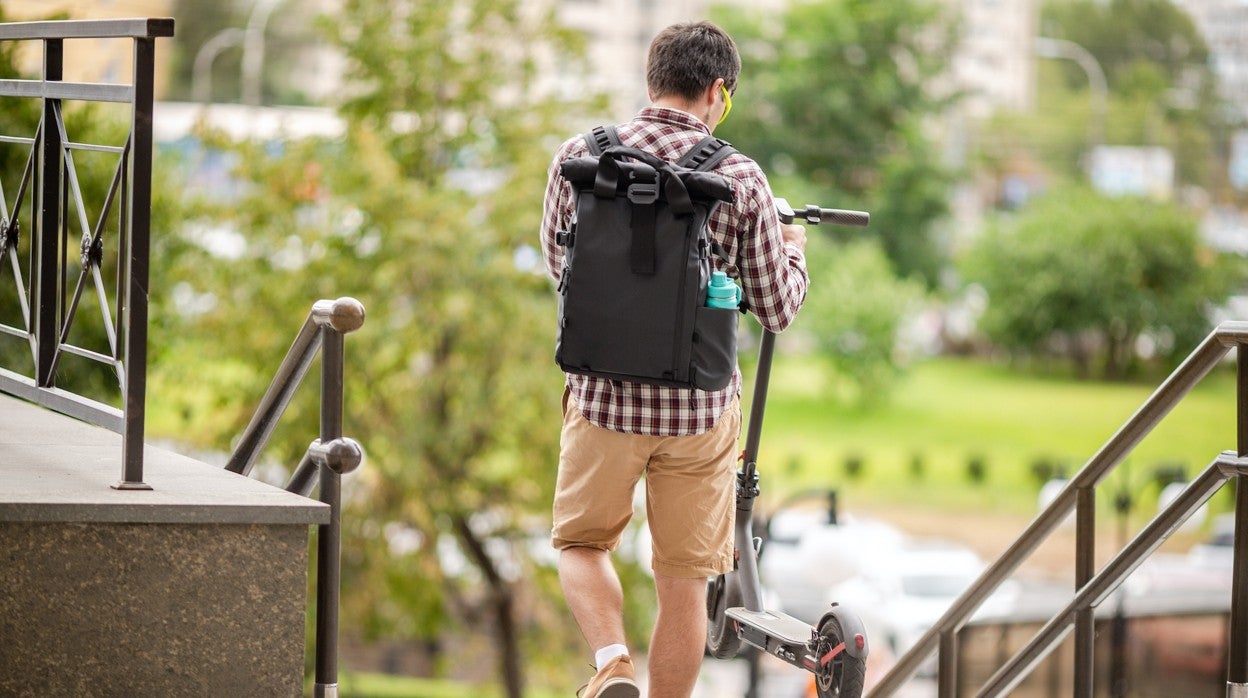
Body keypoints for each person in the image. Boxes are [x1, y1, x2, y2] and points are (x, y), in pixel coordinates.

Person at [540, 20, 809, 698]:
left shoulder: (581, 152)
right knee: (685, 586)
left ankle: (611, 664)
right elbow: (778, 308)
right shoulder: (740, 177)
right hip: (698, 411)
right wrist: (790, 240)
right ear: (719, 92)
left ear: (651, 80)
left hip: (601, 403)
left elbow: (560, 264)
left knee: (581, 546)